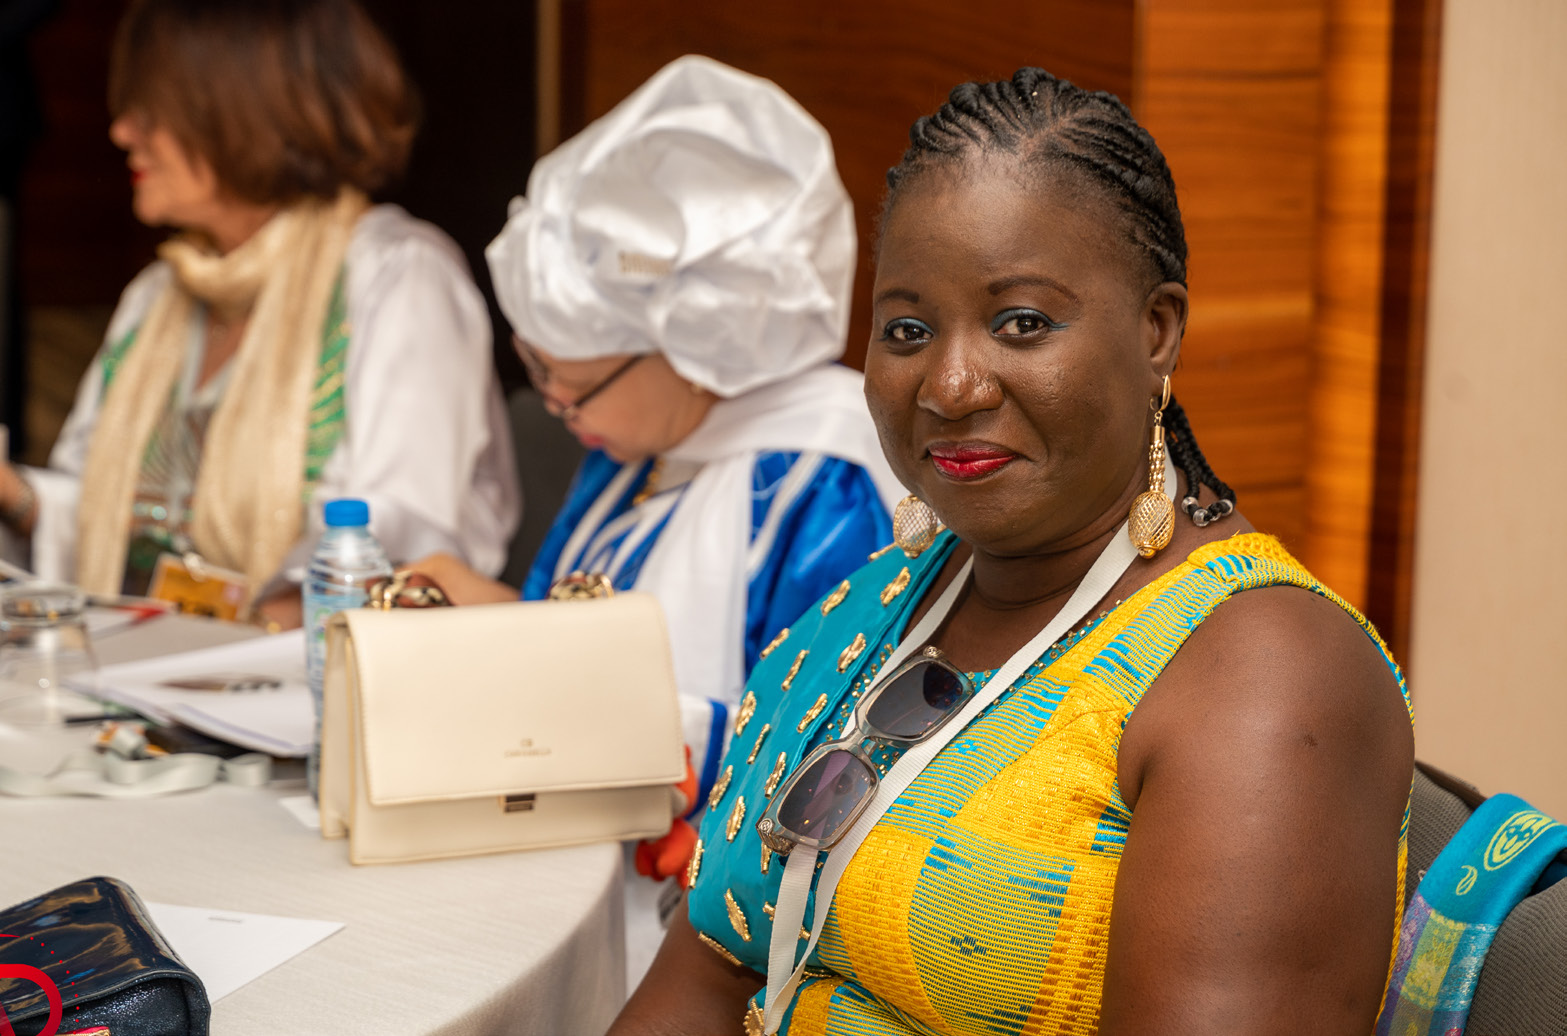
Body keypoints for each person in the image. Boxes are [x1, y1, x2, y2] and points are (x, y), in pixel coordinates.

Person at [610, 68, 1415, 1036]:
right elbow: (707, 973)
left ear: (1157, 330)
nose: (949, 384)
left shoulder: (1264, 674)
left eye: (1021, 323)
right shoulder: (880, 601)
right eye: (907, 329)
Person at [402, 55, 904, 985]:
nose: (553, 402)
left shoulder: (815, 484)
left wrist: (508, 637)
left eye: (572, 379)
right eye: (537, 369)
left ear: (696, 347)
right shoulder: (635, 446)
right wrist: (484, 614)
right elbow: (584, 635)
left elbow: (815, 739)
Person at [0, 0, 519, 625]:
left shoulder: (397, 278)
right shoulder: (159, 293)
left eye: (151, 112)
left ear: (243, 113)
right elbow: (96, 518)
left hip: (303, 673)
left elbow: (402, 543)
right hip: (149, 663)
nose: (123, 132)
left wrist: (238, 640)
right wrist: (11, 493)